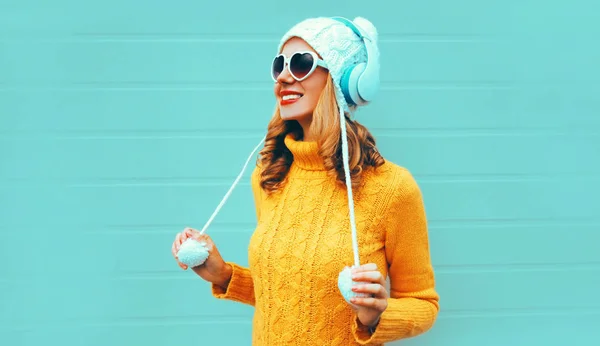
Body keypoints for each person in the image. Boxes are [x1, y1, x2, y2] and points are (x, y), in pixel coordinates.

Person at [171, 16, 439, 345]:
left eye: (301, 64)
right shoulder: (270, 175)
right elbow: (290, 295)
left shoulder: (391, 187)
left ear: (343, 79)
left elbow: (423, 304)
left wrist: (375, 316)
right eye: (279, 65)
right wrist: (223, 274)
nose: (283, 76)